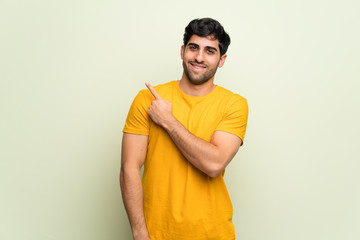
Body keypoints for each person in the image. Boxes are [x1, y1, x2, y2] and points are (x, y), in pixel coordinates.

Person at [120, 17, 248, 240]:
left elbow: (214, 163)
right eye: (193, 47)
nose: (199, 57)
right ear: (182, 51)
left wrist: (168, 121)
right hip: (156, 233)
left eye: (210, 51)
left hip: (212, 233)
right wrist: (140, 234)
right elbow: (129, 168)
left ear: (222, 59)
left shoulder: (234, 104)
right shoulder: (147, 99)